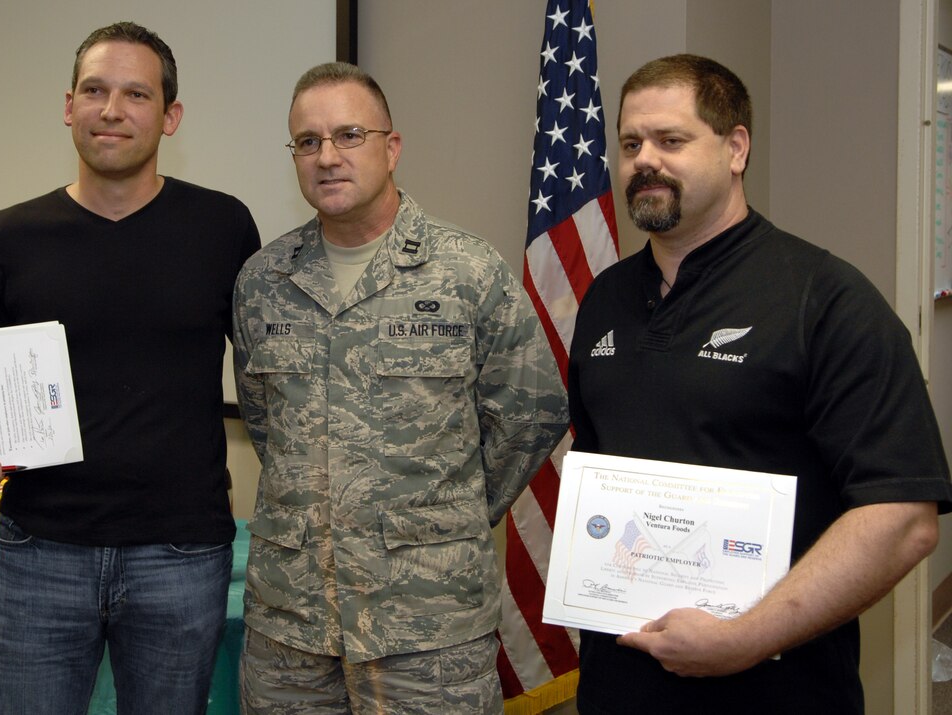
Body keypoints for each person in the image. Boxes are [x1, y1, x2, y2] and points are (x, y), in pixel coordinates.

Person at [568, 53, 952, 714]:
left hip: (775, 689)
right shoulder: (604, 300)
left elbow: (902, 519)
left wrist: (744, 637)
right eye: (631, 143)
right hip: (618, 687)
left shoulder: (826, 300)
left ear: (736, 147)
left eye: (672, 140)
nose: (644, 160)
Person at [0, 21, 260, 714]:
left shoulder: (223, 228)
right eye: (95, 90)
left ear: (170, 116)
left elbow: (269, 375)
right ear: (68, 105)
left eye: (136, 94)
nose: (112, 109)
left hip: (181, 553)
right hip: (38, 551)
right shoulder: (6, 238)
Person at [231, 62, 568, 714]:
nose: (327, 156)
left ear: (392, 146)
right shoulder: (263, 280)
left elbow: (532, 411)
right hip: (291, 634)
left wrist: (442, 516)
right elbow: (267, 424)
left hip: (428, 631)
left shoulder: (466, 270)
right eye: (307, 141)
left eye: (349, 135)